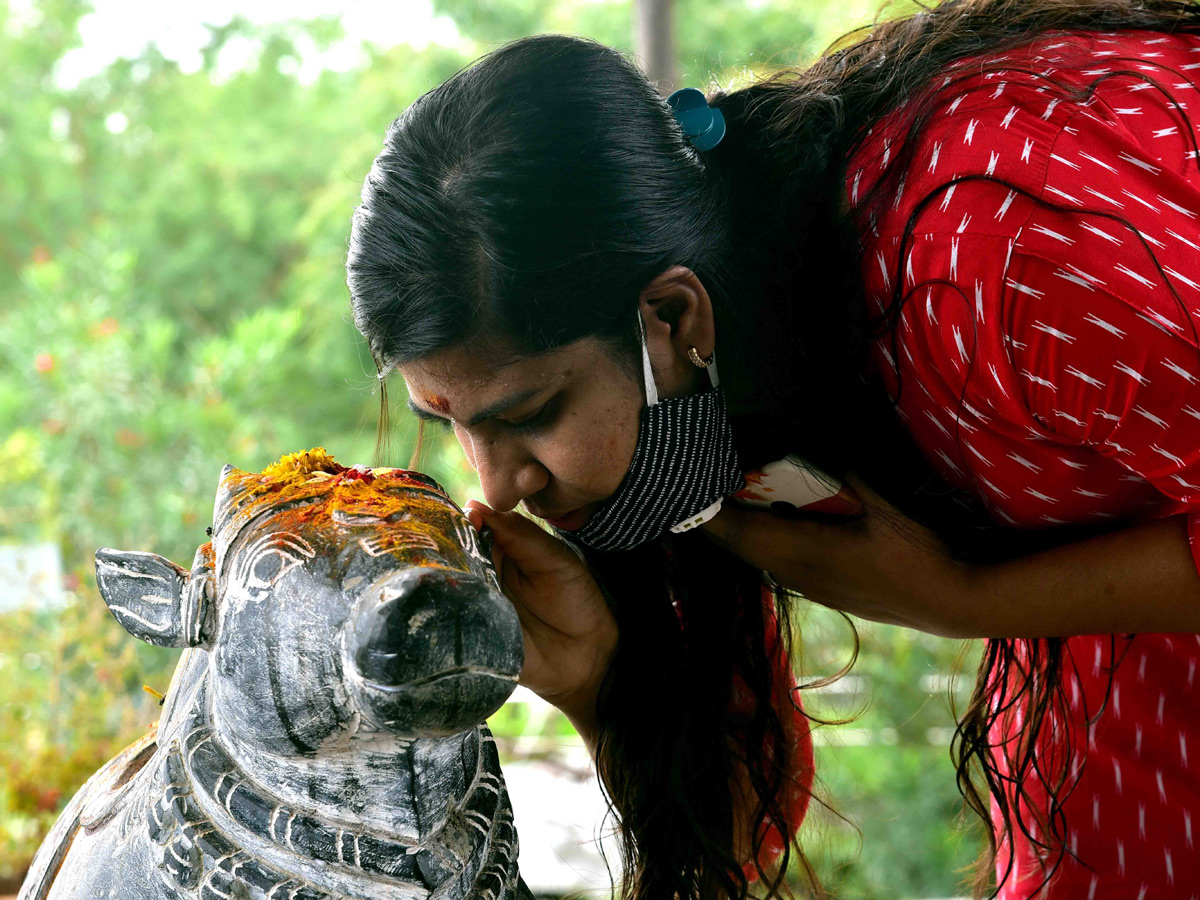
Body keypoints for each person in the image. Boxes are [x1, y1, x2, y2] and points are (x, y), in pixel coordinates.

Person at [345, 0, 1200, 896]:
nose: (500, 486)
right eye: (453, 425)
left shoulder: (992, 247)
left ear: (672, 318)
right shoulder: (700, 400)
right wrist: (601, 687)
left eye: (528, 412)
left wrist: (967, 597)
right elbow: (739, 834)